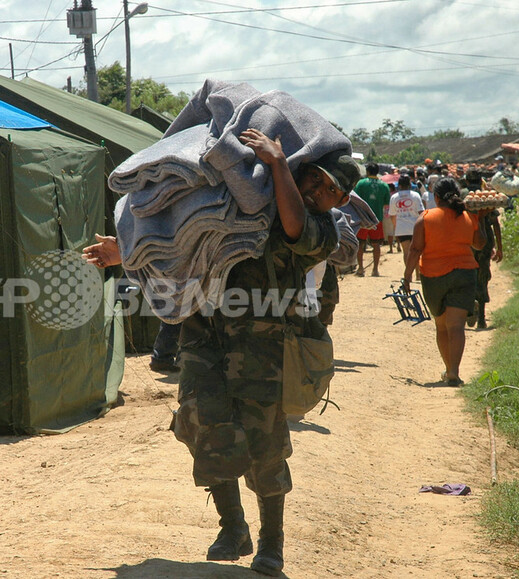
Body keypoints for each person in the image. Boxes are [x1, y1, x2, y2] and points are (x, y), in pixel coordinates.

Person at [84, 130, 361, 576]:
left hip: (264, 349)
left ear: (341, 201)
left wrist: (275, 164)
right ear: (304, 172)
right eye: (316, 179)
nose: (319, 191)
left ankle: (272, 543)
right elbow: (180, 239)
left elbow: (294, 229)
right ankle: (233, 526)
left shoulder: (319, 228)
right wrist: (129, 250)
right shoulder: (248, 205)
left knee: (265, 446)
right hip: (204, 338)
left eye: (332, 190)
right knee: (204, 429)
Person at [403, 177, 487, 386]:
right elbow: (479, 245)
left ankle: (449, 369)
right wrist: (481, 219)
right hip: (465, 274)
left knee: (442, 326)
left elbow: (415, 250)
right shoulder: (468, 217)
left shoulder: (426, 218)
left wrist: (406, 277)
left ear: (436, 197)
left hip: (434, 277)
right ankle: (453, 372)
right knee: (457, 325)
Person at [462, 168, 504, 329]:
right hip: (485, 242)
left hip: (466, 241)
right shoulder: (487, 196)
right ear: (481, 181)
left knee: (466, 275)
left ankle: (469, 310)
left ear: (466, 180)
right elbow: (495, 224)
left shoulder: (462, 195)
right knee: (483, 276)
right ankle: (481, 318)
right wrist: (500, 248)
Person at [354, 163, 390, 276]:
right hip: (377, 218)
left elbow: (355, 199)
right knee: (376, 245)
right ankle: (375, 270)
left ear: (368, 171)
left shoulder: (360, 184)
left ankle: (360, 269)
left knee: (360, 244)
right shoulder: (384, 185)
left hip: (362, 219)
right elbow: (386, 203)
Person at [388, 174, 424, 266]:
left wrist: (396, 225)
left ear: (399, 185)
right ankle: (418, 275)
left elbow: (392, 215)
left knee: (406, 252)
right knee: (416, 252)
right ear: (410, 184)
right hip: (415, 228)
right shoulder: (415, 195)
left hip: (401, 228)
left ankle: (409, 275)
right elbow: (421, 213)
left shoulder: (394, 197)